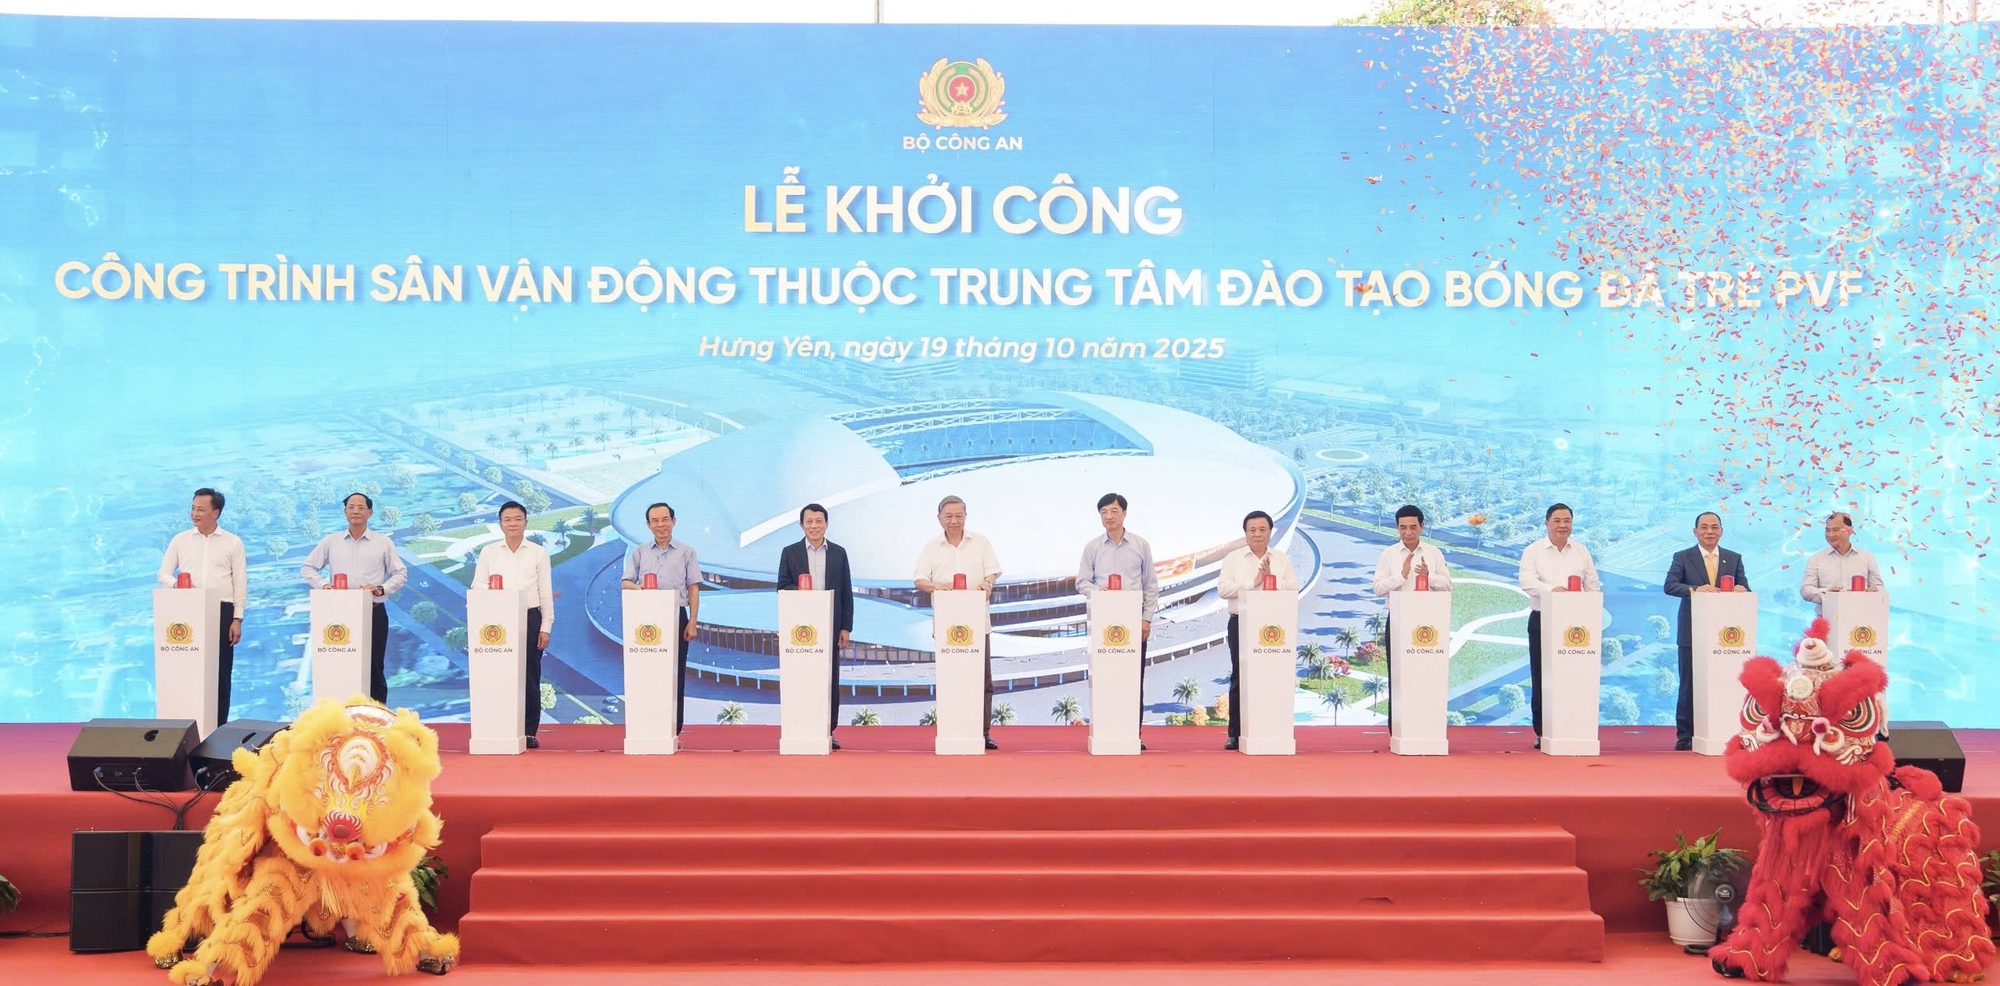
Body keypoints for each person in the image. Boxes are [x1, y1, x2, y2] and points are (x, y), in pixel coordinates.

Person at [299, 492, 406, 705]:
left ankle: (377, 717)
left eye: (360, 507)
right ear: (345, 512)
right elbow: (307, 568)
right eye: (351, 507)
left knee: (374, 668)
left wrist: (381, 589)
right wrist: (324, 585)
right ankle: (339, 716)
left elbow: (400, 573)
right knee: (339, 668)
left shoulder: (382, 542)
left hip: (372, 613)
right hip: (340, 616)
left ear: (370, 512)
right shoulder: (331, 541)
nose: (355, 511)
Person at [913, 495, 1002, 749]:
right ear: (939, 518)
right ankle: (951, 729)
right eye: (949, 516)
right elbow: (919, 579)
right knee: (951, 680)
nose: (954, 521)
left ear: (965, 517)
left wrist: (988, 583)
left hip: (977, 624)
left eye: (958, 516)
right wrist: (936, 586)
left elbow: (992, 571)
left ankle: (982, 732)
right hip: (947, 626)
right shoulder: (932, 547)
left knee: (982, 680)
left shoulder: (981, 542)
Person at [1075, 493, 1161, 749]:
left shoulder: (1140, 545)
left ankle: (1133, 734)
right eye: (1104, 512)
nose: (1108, 517)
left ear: (1124, 513)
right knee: (1105, 680)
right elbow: (1081, 582)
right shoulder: (1092, 547)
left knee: (1133, 680)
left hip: (1132, 622)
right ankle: (1105, 731)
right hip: (1104, 622)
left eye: (1113, 511)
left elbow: (1150, 585)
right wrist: (1097, 591)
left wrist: (1146, 619)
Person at [157, 488, 247, 726]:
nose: (194, 514)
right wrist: (177, 585)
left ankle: (218, 728)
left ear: (215, 513)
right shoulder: (180, 540)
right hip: (189, 612)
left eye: (201, 509)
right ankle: (185, 726)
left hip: (221, 611)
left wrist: (237, 618)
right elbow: (163, 574)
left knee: (220, 673)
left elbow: (240, 582)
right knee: (188, 671)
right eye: (193, 508)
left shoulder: (233, 542)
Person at [1663, 511, 1750, 751]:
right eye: (1704, 527)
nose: (1709, 531)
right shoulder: (1683, 557)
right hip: (1692, 631)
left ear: (1721, 531)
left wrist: (1741, 589)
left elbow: (1744, 586)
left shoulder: (1733, 558)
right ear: (1695, 532)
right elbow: (1670, 586)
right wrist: (1696, 589)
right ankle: (1685, 735)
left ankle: (1726, 729)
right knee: (1689, 684)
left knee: (1724, 682)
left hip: (1724, 637)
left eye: (1714, 527)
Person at [1516, 503, 1600, 748]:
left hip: (1577, 625)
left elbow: (1592, 585)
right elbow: (1527, 582)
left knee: (1576, 676)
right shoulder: (1533, 551)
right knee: (1543, 677)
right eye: (1557, 521)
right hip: (1543, 619)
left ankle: (1575, 726)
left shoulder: (1581, 551)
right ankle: (1543, 731)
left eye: (1567, 521)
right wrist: (1552, 590)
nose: (1562, 525)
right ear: (1547, 523)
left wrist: (1590, 609)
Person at [472, 501, 553, 749]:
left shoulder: (538, 552)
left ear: (525, 522)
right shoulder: (489, 552)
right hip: (498, 620)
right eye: (507, 519)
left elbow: (545, 591)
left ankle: (528, 731)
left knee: (530, 675)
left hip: (529, 618)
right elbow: (477, 584)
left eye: (517, 519)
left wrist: (546, 626)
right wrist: (500, 592)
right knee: (498, 674)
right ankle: (500, 726)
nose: (513, 524)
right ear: (500, 524)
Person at [1216, 510, 1299, 751]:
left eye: (1262, 529)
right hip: (1242, 621)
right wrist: (1253, 583)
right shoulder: (1234, 558)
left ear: (1271, 532)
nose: (1257, 534)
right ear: (1245, 533)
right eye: (1252, 530)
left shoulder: (1281, 559)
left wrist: (1271, 579)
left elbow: (1293, 587)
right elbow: (1223, 590)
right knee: (1239, 677)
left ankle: (1272, 728)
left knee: (1272, 676)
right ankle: (1235, 734)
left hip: (1273, 625)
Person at [777, 503, 855, 749]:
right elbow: (782, 586)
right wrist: (804, 592)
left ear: (826, 524)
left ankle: (827, 730)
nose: (814, 526)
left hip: (830, 625)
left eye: (818, 521)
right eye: (809, 522)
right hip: (801, 628)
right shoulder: (790, 552)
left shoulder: (839, 553)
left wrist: (845, 627)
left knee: (829, 679)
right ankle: (801, 728)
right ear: (801, 525)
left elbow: (846, 592)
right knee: (803, 678)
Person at [620, 502, 701, 735]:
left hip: (676, 617)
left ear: (673, 521)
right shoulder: (639, 552)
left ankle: (674, 729)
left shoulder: (686, 551)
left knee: (675, 673)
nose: (660, 525)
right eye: (655, 521)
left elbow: (693, 588)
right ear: (648, 525)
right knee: (647, 673)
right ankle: (648, 726)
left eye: (665, 519)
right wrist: (641, 588)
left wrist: (692, 621)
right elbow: (625, 582)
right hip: (647, 619)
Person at [1370, 505, 1454, 723]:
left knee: (1426, 675)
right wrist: (1401, 576)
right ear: (1397, 528)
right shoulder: (1389, 554)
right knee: (1398, 677)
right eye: (1403, 527)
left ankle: (1426, 725)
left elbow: (1447, 586)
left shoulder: (1433, 553)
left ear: (1422, 526)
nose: (1408, 532)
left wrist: (1428, 576)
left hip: (1428, 623)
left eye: (1413, 527)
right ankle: (1397, 729)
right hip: (1398, 621)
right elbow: (1378, 589)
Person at [1800, 511, 1884, 614]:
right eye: (1827, 530)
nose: (1830, 535)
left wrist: (1874, 591)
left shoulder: (1867, 557)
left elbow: (1879, 587)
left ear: (1849, 531)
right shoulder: (1816, 559)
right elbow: (1806, 590)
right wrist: (1828, 594)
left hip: (1860, 619)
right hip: (1827, 620)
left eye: (1835, 530)